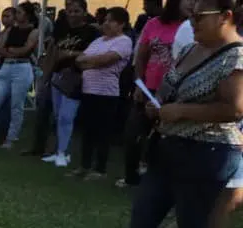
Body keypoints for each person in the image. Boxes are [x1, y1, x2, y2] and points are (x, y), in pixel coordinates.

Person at [92, 0, 243, 228]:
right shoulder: (191, 49)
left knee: (192, 225)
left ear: (226, 17)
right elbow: (172, 85)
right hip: (168, 144)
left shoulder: (236, 57)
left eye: (200, 16)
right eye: (192, 14)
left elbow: (236, 108)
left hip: (207, 150)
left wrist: (181, 111)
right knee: (144, 214)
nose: (192, 21)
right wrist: (158, 104)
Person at [120, 0, 190, 187]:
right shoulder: (154, 24)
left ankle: (158, 178)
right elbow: (141, 56)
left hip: (177, 92)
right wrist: (139, 84)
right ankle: (131, 176)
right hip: (148, 88)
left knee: (165, 137)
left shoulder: (192, 27)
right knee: (133, 133)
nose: (193, 4)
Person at [74, 7, 133, 180]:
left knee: (102, 132)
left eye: (110, 20)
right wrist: (91, 62)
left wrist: (89, 62)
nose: (106, 23)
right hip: (88, 90)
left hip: (106, 93)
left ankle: (100, 169)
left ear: (121, 24)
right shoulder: (98, 41)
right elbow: (79, 59)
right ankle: (84, 165)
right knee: (88, 131)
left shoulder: (124, 41)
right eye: (105, 20)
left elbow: (107, 60)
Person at [40, 0, 100, 166]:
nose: (72, 14)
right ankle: (59, 150)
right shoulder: (61, 29)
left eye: (76, 11)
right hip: (58, 75)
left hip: (76, 77)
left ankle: (63, 152)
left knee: (67, 116)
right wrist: (46, 75)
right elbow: (53, 51)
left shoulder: (91, 32)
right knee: (58, 115)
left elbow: (93, 53)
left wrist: (71, 53)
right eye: (69, 11)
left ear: (84, 12)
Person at [0, 2, 40, 148]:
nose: (16, 15)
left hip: (22, 68)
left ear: (27, 15)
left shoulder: (33, 31)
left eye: (19, 12)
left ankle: (11, 138)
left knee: (16, 105)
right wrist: (11, 51)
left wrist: (11, 50)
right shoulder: (10, 30)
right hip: (6, 67)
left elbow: (26, 50)